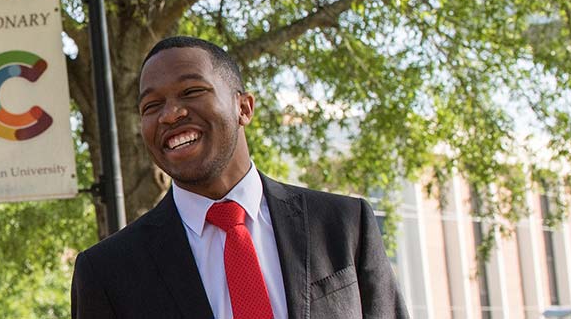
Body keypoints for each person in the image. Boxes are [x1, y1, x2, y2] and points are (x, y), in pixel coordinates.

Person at [72, 37, 406, 319]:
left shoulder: (343, 225)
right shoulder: (106, 272)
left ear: (244, 107)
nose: (170, 114)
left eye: (191, 91)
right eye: (151, 106)